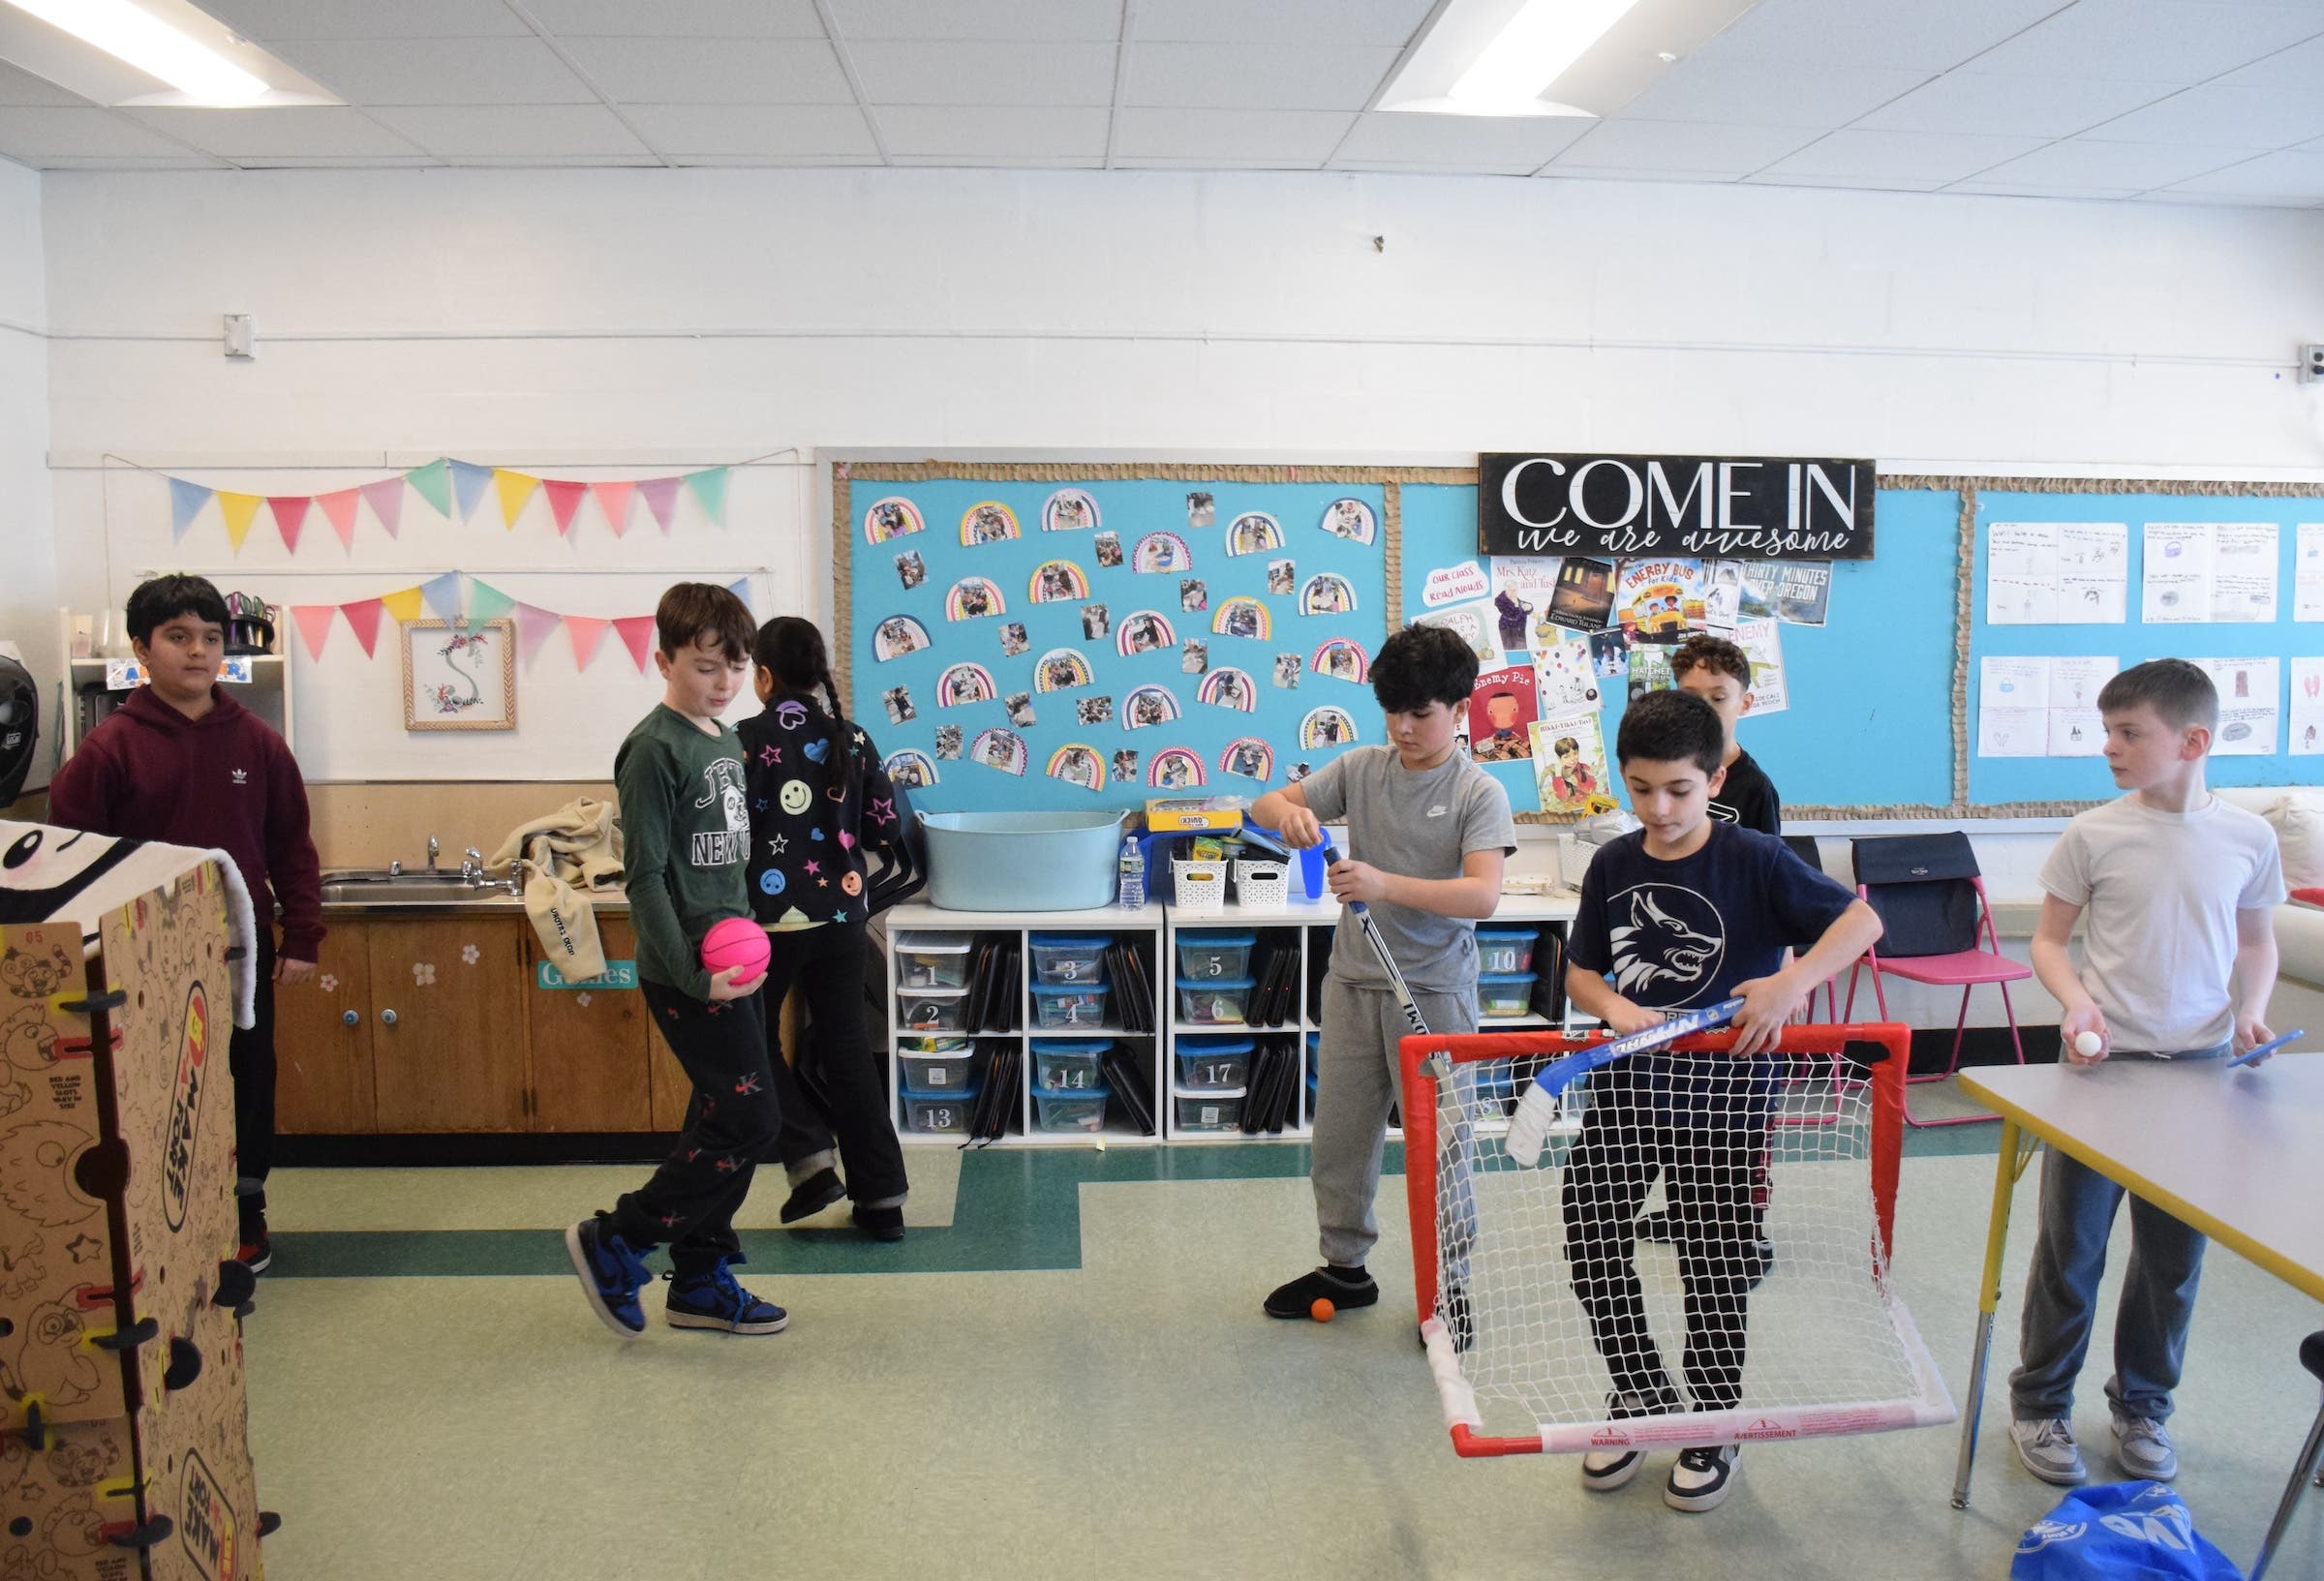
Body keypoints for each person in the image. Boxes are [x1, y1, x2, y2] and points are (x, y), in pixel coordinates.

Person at [1560, 689, 1881, 1513]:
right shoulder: (1613, 863)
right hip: (1628, 1093)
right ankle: (1639, 1390)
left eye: (1679, 789)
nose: (1659, 809)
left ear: (1714, 779)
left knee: (1714, 1263)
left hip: (1725, 1103)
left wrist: (1790, 982)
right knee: (1588, 1234)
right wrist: (1612, 1006)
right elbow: (1582, 970)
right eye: (1641, 788)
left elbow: (1860, 924)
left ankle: (1713, 1418)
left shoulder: (1757, 858)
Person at [2007, 658, 2283, 1487]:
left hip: (2202, 1073)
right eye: (2108, 731)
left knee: (2172, 1261)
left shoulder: (2249, 838)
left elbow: (2256, 942)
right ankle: (2040, 1402)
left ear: (2193, 742)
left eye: (2129, 732)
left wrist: (2251, 1007)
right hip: (2102, 1072)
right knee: (2071, 1251)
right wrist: (2076, 1002)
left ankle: (2143, 1406)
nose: (2110, 746)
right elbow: (2049, 941)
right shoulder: (2093, 833)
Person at [48, 574, 322, 1275]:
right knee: (155, 1088)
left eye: (210, 637)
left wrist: (303, 936)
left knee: (245, 1080)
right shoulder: (108, 750)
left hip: (240, 953)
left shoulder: (259, 744)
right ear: (142, 649)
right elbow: (73, 863)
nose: (198, 652)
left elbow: (291, 846)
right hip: (140, 962)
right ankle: (159, 1222)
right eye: (178, 637)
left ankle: (245, 1214)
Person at [1252, 624, 1515, 1325]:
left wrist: (1383, 884)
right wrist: (1291, 816)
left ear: (1459, 709)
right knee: (1339, 1140)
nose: (1402, 728)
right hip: (1352, 983)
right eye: (1392, 711)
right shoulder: (1362, 768)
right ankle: (1345, 1268)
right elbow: (1265, 804)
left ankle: (1449, 1287)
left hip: (1434, 993)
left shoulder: (1479, 792)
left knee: (1442, 1150)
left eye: (1420, 713)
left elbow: (1481, 896)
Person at [566, 584, 785, 1339]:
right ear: (663, 661)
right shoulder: (653, 749)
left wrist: (748, 939)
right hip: (689, 974)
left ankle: (698, 1279)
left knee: (722, 1115)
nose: (723, 682)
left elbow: (721, 865)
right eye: (704, 666)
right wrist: (695, 975)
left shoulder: (722, 738)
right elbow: (646, 880)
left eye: (736, 666)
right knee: (753, 1119)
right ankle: (617, 1238)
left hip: (735, 963)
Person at [738, 617, 913, 1243]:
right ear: (819, 675)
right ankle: (883, 1200)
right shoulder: (854, 738)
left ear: (763, 676)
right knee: (847, 1052)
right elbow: (885, 829)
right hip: (842, 916)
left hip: (766, 924)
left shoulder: (742, 742)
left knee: (750, 1041)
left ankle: (809, 1158)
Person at [1670, 634, 1778, 835]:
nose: (1703, 708)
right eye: (1690, 696)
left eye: (1718, 698)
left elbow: (1767, 854)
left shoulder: (1756, 789)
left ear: (1744, 704)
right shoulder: (1666, 769)